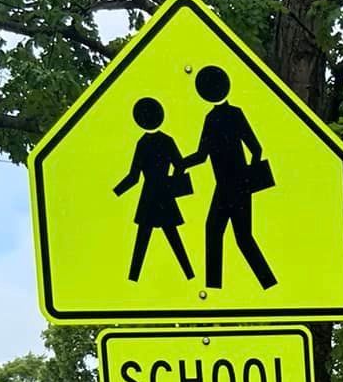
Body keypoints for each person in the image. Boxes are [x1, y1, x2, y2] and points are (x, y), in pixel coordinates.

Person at [184, 65, 277, 291]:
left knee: (239, 237)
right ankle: (216, 287)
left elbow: (255, 148)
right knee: (219, 232)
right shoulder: (215, 117)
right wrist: (179, 163)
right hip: (226, 187)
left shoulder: (229, 115)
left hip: (235, 186)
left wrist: (250, 178)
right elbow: (204, 155)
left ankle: (268, 283)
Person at [113, 98, 194, 283]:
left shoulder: (143, 143)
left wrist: (116, 191)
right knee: (172, 237)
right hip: (164, 194)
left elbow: (134, 177)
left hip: (149, 196)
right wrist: (172, 181)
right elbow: (180, 164)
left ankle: (133, 278)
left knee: (143, 240)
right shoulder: (167, 140)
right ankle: (190, 275)